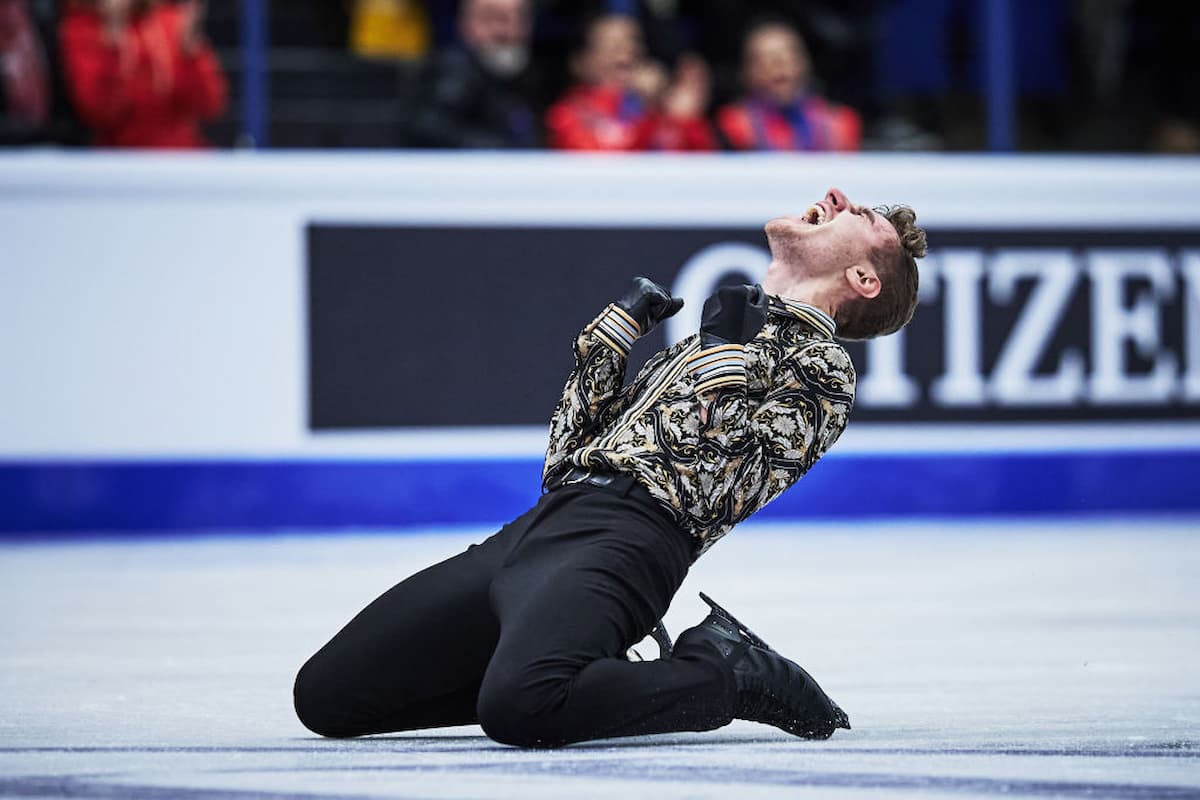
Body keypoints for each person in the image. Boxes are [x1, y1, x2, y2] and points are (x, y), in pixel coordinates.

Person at [293, 187, 927, 748]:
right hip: (541, 528)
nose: (839, 196)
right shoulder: (719, 337)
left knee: (524, 707)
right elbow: (567, 461)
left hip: (629, 544)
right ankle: (593, 664)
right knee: (327, 696)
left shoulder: (823, 370)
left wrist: (725, 353)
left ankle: (727, 670)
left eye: (864, 216)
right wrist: (606, 346)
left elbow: (713, 479)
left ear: (862, 279)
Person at [58, 0, 226, 148]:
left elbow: (210, 105)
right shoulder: (82, 28)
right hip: (120, 160)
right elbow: (99, 112)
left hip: (181, 156)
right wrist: (113, 37)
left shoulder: (171, 21)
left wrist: (191, 52)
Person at [545, 13, 714, 152]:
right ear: (582, 62)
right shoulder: (567, 115)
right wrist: (646, 109)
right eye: (613, 45)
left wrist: (687, 122)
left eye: (633, 41)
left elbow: (700, 160)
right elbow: (608, 162)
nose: (627, 52)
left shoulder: (664, 108)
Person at [404, 0, 541, 149]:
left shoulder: (531, 75)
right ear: (465, 24)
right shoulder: (455, 71)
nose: (509, 32)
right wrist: (499, 151)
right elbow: (428, 129)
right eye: (494, 18)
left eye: (519, 18)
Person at [716, 19, 860, 152]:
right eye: (764, 59)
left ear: (805, 63)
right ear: (747, 73)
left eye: (790, 54)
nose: (779, 65)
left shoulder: (839, 123)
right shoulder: (734, 124)